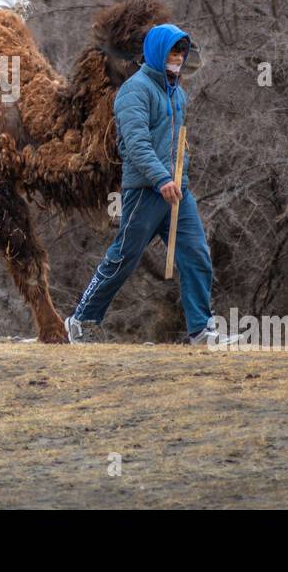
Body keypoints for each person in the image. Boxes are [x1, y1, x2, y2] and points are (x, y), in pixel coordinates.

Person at [66, 24, 237, 346]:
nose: (178, 59)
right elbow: (136, 143)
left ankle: (202, 331)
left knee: (196, 255)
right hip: (145, 190)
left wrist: (177, 180)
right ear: (158, 52)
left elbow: (173, 142)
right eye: (173, 52)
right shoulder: (135, 90)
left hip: (177, 191)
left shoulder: (179, 93)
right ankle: (80, 320)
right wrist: (161, 179)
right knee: (123, 258)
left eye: (182, 53)